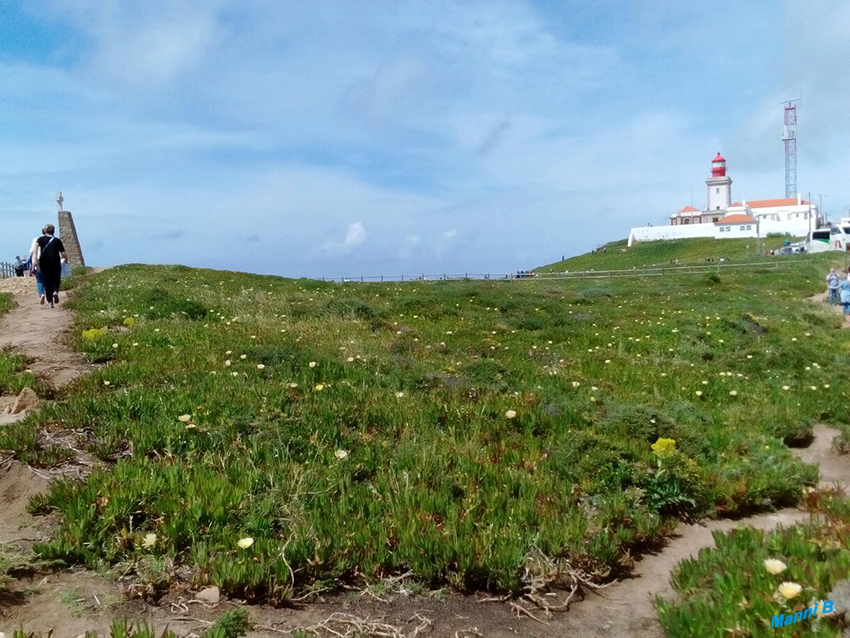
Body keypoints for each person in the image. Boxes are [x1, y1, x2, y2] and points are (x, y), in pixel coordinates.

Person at [33, 224, 67, 308]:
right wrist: (66, 259)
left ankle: (50, 302)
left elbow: (36, 247)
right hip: (55, 262)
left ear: (45, 230)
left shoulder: (40, 239)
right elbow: (63, 253)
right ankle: (55, 291)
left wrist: (35, 258)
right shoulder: (57, 240)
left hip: (44, 262)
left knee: (47, 281)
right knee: (56, 278)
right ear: (53, 231)